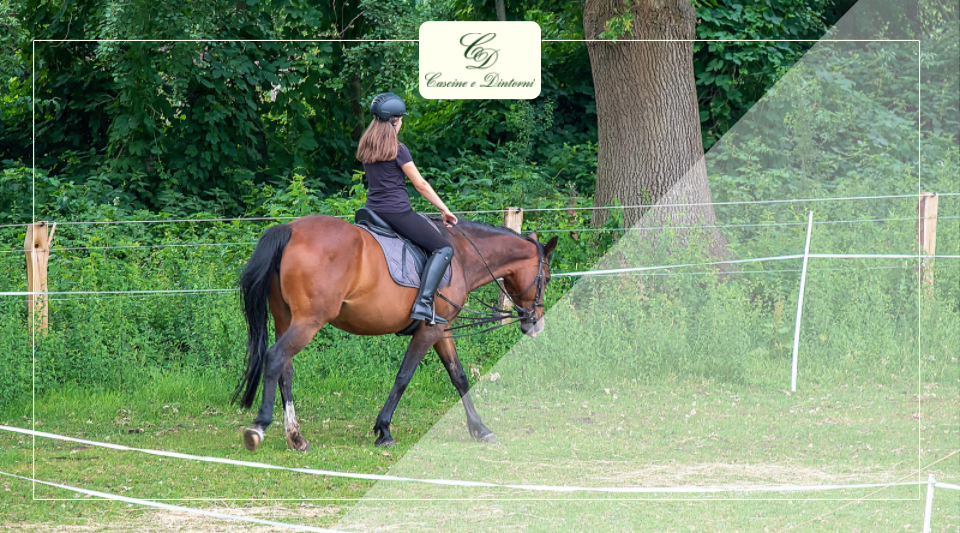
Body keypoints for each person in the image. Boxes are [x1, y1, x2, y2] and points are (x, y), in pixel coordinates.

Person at [355, 92, 459, 325]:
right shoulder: (398, 149)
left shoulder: (366, 145)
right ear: (394, 120)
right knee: (443, 248)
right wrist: (444, 209)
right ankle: (422, 303)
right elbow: (420, 184)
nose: (401, 123)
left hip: (372, 211)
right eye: (401, 119)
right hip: (397, 213)